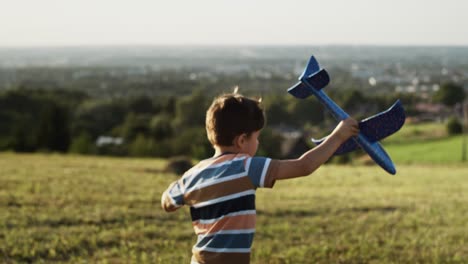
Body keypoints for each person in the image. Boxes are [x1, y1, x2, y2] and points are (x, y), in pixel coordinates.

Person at [161, 92, 359, 264]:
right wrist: (338, 136)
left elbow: (167, 203)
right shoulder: (246, 166)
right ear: (241, 140)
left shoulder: (192, 175)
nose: (258, 142)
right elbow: (304, 166)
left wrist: (179, 190)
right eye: (256, 137)